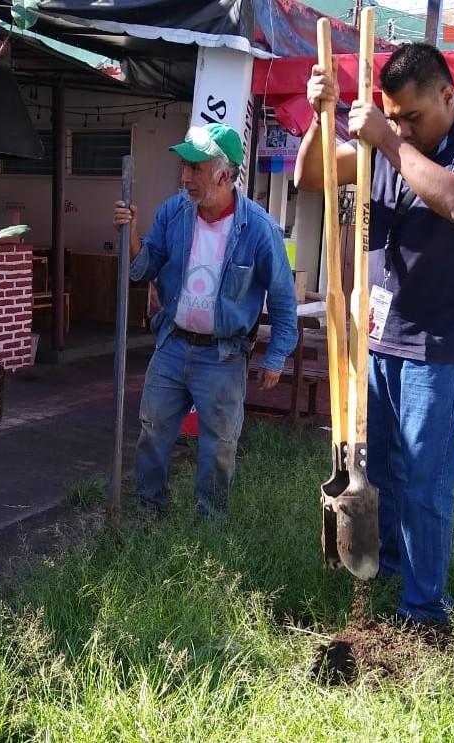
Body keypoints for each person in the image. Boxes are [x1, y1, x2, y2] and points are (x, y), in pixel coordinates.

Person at [296, 43, 454, 627]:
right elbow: (312, 176)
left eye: (411, 117)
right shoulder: (391, 142)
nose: (401, 128)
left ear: (448, 95)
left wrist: (390, 143)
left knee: (424, 484)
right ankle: (388, 576)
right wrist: (322, 117)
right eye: (392, 118)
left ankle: (424, 613)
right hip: (380, 338)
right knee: (384, 476)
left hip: (439, 348)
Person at [114, 122, 298, 518]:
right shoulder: (174, 213)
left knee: (218, 446)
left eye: (195, 168)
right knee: (152, 431)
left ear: (225, 175)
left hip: (223, 356)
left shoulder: (260, 230)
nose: (185, 177)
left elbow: (284, 298)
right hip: (172, 343)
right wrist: (130, 235)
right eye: (184, 166)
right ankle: (149, 515)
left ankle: (209, 526)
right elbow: (146, 267)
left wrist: (276, 356)